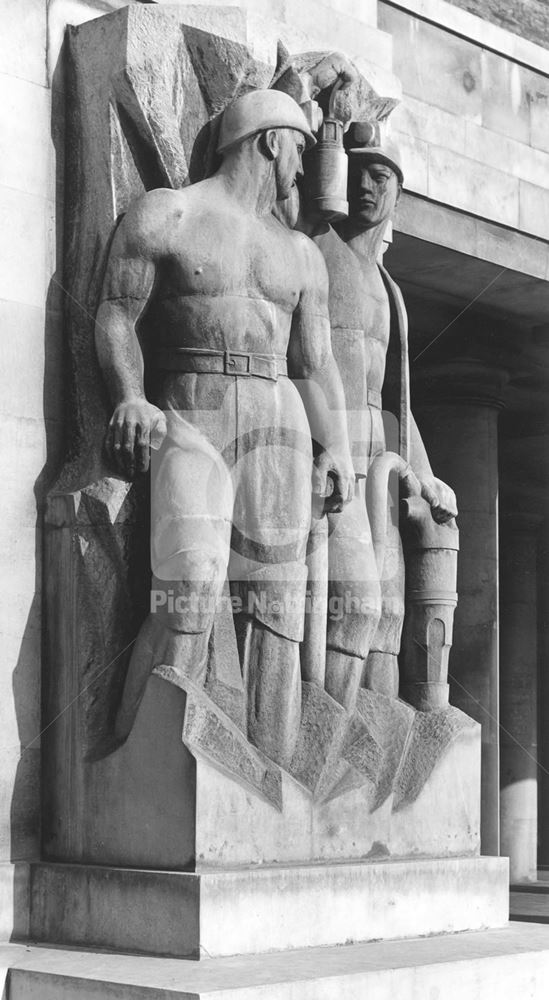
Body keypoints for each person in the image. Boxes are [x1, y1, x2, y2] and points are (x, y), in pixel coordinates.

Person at [94, 89, 354, 767]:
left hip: (278, 420)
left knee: (276, 606)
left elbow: (314, 365)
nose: (302, 168)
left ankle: (270, 775)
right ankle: (140, 762)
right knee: (190, 580)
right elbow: (117, 314)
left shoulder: (299, 253)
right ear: (270, 141)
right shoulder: (168, 213)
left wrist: (339, 448)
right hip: (191, 409)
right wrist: (128, 397)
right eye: (300, 147)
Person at [308, 122, 457, 712]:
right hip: (334, 442)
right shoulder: (320, 250)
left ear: (397, 191)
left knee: (390, 611)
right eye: (359, 174)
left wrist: (426, 471)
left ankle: (379, 734)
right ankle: (334, 729)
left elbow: (396, 399)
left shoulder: (390, 286)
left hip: (381, 455)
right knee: (352, 605)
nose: (367, 187)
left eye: (381, 177)